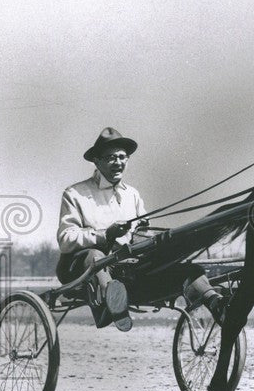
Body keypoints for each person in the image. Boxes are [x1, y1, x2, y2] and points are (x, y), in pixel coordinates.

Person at [57, 127, 223, 332]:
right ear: (97, 161)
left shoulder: (132, 195)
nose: (118, 163)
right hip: (83, 270)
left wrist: (157, 240)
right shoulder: (75, 194)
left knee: (187, 268)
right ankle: (113, 306)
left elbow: (142, 233)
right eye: (110, 158)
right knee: (96, 255)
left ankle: (217, 302)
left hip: (128, 271)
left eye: (122, 157)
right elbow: (65, 238)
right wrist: (104, 235)